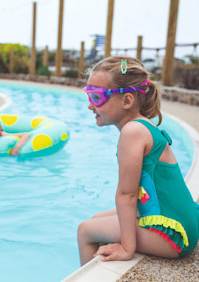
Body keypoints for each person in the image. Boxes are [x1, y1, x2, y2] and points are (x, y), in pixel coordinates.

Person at [77, 56, 199, 266]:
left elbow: (128, 194)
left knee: (85, 230)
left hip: (174, 235)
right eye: (89, 95)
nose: (90, 105)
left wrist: (127, 247)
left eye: (96, 97)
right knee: (97, 218)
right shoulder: (143, 126)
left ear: (127, 101)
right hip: (180, 220)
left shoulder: (132, 131)